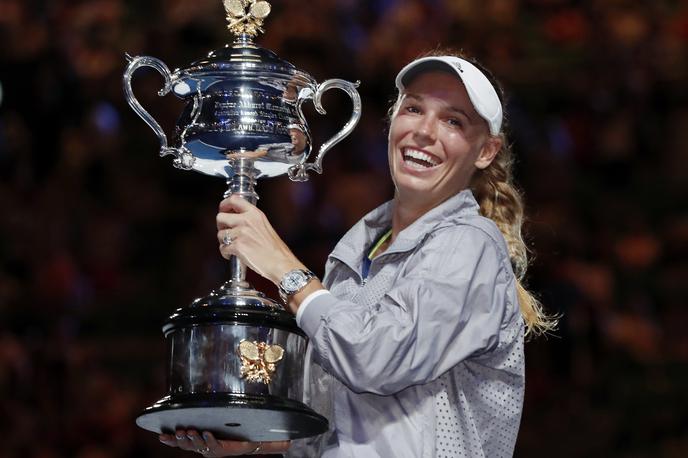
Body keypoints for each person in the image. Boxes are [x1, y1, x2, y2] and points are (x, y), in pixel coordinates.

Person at [159, 49, 555, 457]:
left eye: (453, 121)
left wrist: (284, 268)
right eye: (414, 109)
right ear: (392, 122)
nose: (425, 131)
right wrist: (255, 441)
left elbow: (374, 360)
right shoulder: (355, 253)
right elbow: (345, 423)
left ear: (486, 151)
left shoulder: (471, 244)